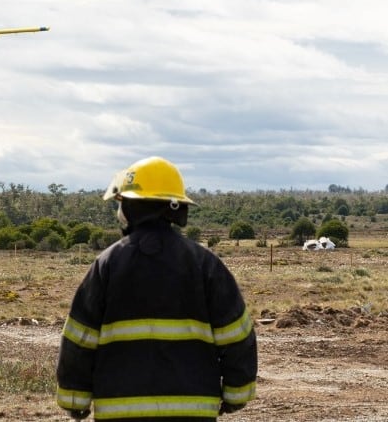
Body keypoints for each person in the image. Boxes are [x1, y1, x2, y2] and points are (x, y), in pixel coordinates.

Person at [56, 156, 257, 421]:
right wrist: (235, 396)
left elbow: (80, 339)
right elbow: (237, 338)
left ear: (132, 207)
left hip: (119, 413)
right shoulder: (206, 264)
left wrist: (75, 400)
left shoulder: (107, 264)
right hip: (193, 413)